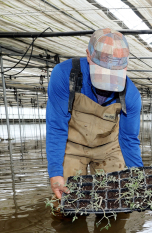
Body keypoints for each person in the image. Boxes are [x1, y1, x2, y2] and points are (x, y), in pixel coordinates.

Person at [46, 28, 143, 199]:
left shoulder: (131, 95)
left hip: (108, 147)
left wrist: (139, 177)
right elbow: (56, 126)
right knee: (66, 202)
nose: (108, 83)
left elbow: (128, 138)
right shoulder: (65, 75)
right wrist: (55, 172)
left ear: (125, 66)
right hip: (73, 145)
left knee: (115, 201)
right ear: (88, 56)